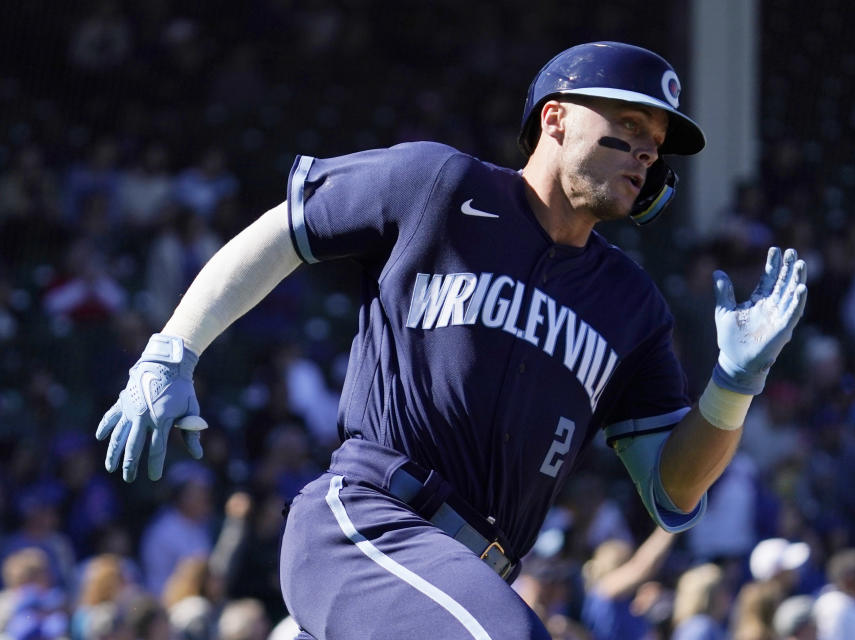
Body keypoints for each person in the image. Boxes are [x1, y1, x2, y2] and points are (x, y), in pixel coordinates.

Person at [95, 41, 808, 639]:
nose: (646, 155)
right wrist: (172, 349)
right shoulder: (440, 184)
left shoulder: (634, 306)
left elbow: (672, 494)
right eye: (628, 126)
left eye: (657, 146)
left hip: (467, 580)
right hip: (369, 524)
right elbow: (288, 230)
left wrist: (734, 385)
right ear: (555, 119)